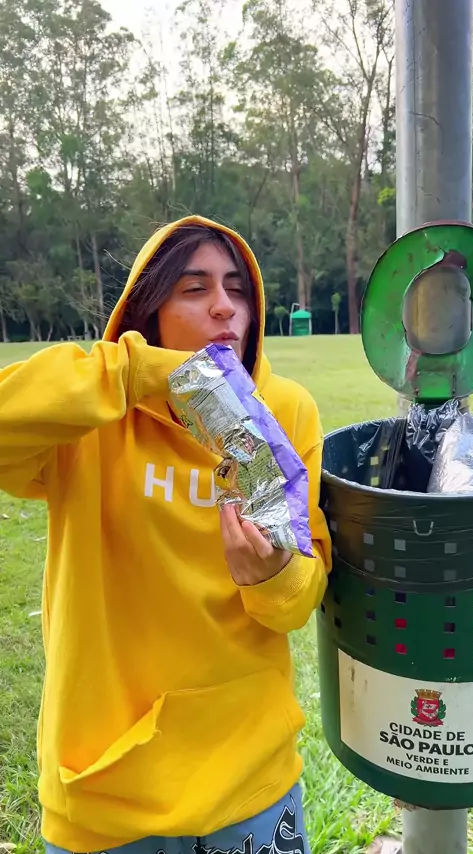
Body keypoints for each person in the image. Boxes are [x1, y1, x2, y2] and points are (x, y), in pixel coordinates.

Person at [0, 215, 331, 854]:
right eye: (194, 288)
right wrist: (135, 375)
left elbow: (299, 601)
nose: (224, 307)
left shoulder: (286, 411)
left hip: (250, 781)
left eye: (237, 289)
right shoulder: (89, 423)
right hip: (105, 788)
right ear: (146, 312)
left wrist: (273, 576)